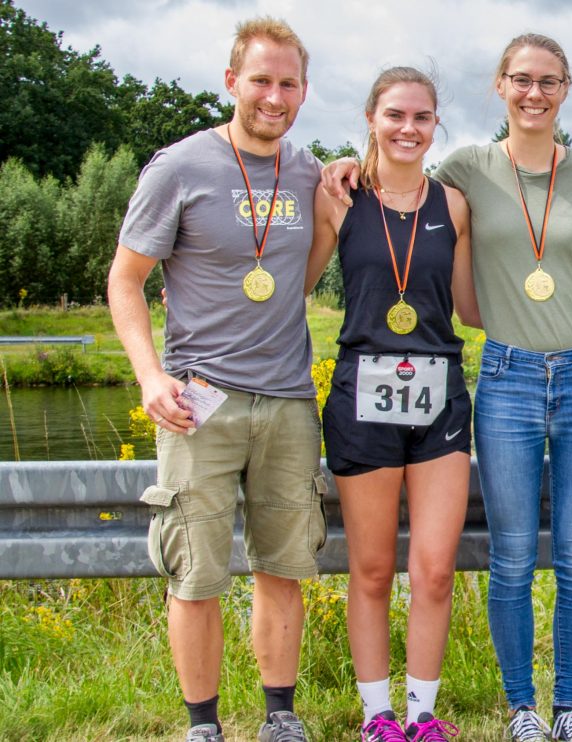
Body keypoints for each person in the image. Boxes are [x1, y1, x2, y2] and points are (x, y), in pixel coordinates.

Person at [327, 32, 572, 742]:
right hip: (507, 374)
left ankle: (569, 707)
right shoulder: (464, 171)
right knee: (514, 555)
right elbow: (395, 187)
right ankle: (521, 709)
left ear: (566, 89)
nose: (534, 92)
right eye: (521, 79)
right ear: (499, 85)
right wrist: (342, 162)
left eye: (549, 81)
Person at [107, 17, 323, 742]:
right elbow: (125, 281)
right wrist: (147, 376)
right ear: (232, 80)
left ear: (303, 90)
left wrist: (344, 188)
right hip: (199, 399)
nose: (274, 95)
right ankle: (203, 725)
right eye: (260, 79)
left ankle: (280, 717)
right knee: (195, 571)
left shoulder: (308, 170)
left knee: (283, 565)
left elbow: (305, 275)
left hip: (290, 397)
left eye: (288, 82)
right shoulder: (178, 167)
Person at [305, 66, 475, 742]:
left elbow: (469, 307)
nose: (409, 129)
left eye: (422, 117)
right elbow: (297, 282)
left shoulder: (454, 205)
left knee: (433, 570)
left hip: (440, 396)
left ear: (436, 125)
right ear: (372, 119)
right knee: (372, 570)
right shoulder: (340, 198)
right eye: (396, 116)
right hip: (362, 393)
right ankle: (379, 718)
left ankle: (422, 714)